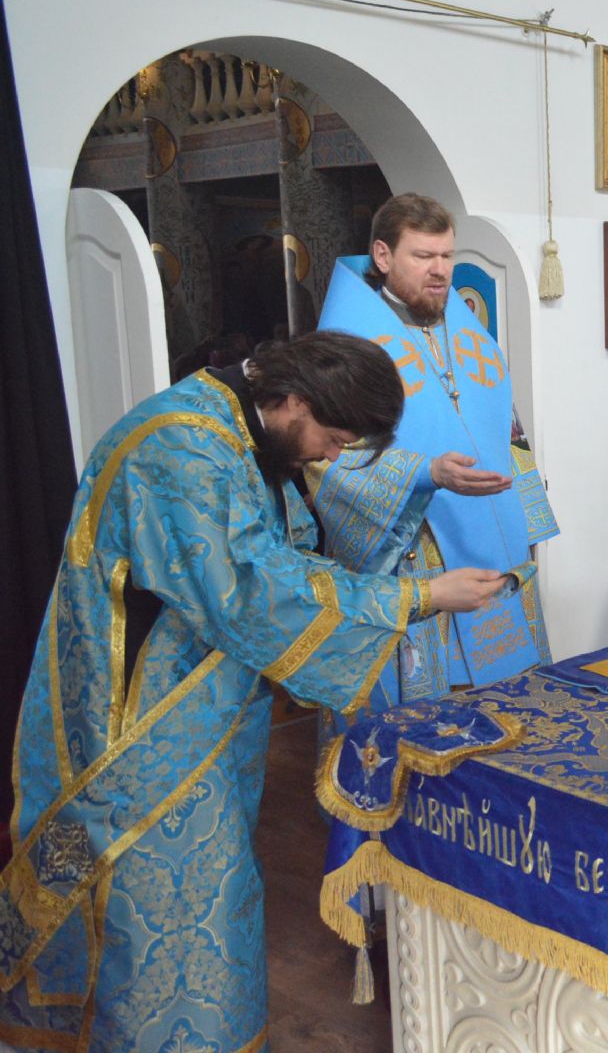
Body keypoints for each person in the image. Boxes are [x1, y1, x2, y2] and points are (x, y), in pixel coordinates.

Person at [0, 332, 506, 1052]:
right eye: (331, 439)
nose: (330, 456)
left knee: (215, 889)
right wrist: (418, 597)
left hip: (209, 708)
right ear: (294, 399)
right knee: (160, 899)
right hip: (146, 722)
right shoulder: (180, 446)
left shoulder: (246, 427)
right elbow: (250, 586)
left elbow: (284, 549)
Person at [314, 193, 559, 715]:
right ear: (383, 256)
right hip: (414, 552)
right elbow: (323, 460)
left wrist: (526, 505)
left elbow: (503, 424)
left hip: (492, 539)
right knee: (432, 723)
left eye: (447, 256)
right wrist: (425, 473)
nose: (440, 271)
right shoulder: (344, 344)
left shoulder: (464, 327)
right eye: (423, 257)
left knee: (506, 712)